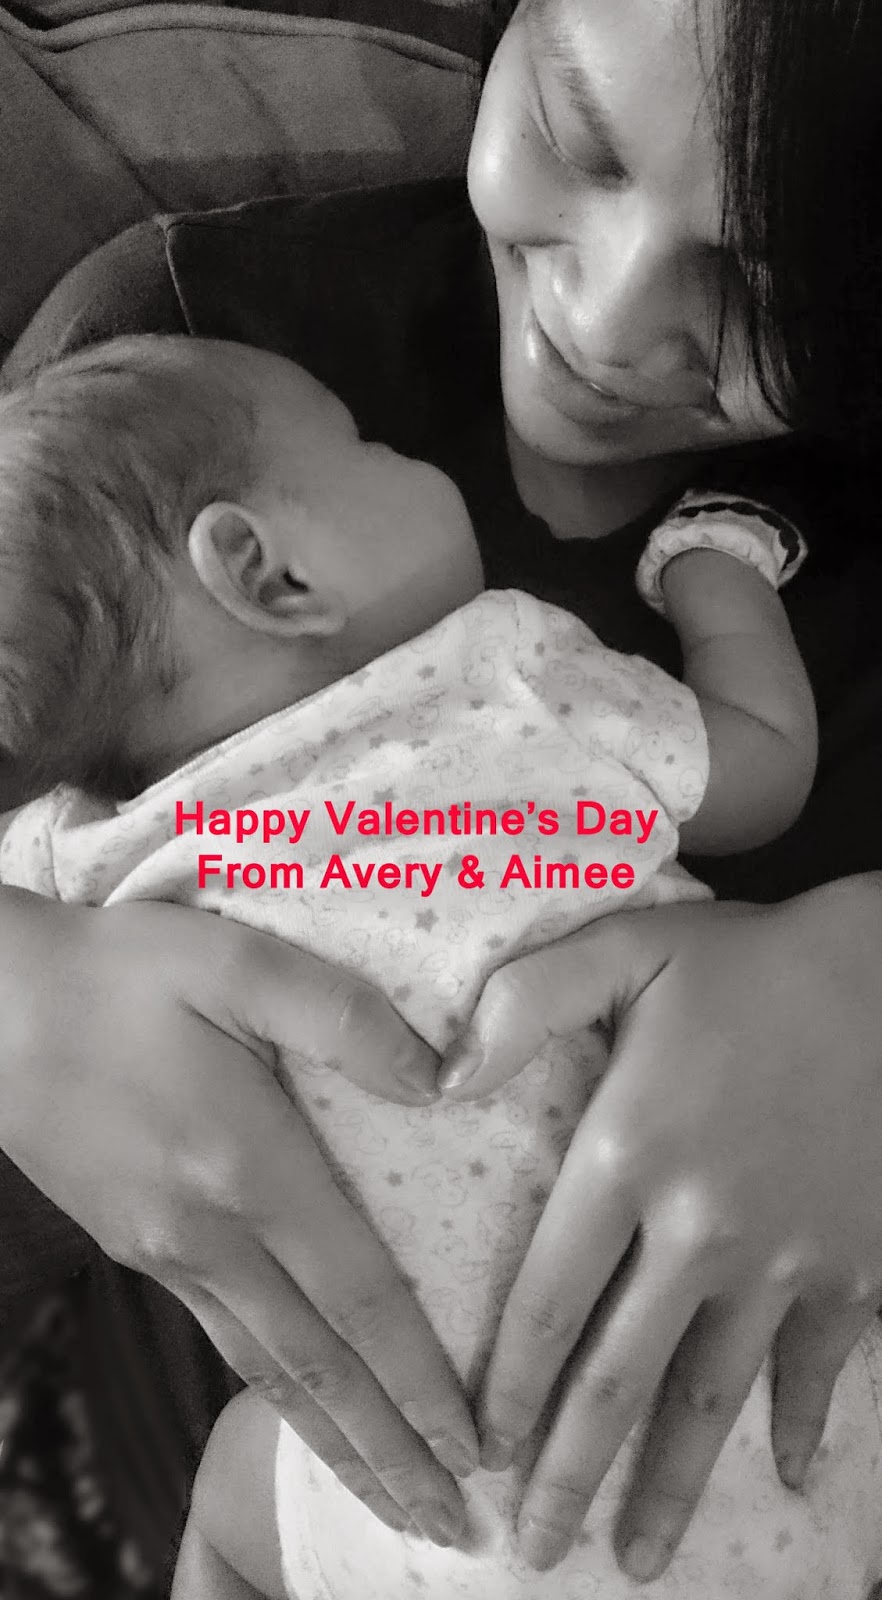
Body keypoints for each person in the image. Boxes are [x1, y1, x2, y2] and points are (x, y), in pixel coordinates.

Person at [2, 0, 882, 1587]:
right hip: (450, 1453)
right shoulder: (187, 353)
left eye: (775, 285)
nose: (609, 317)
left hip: (458, 1503)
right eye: (575, 133)